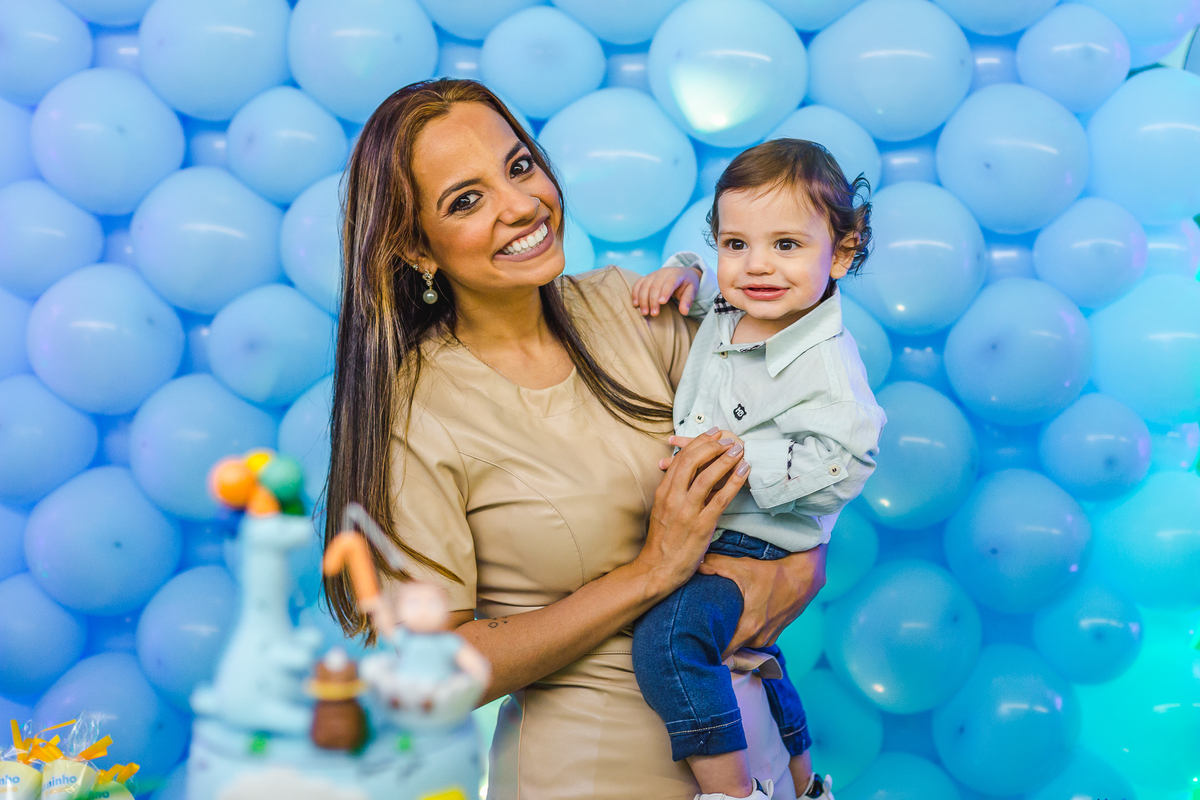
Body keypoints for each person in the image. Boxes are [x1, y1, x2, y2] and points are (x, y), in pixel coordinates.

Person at [322, 79, 829, 799]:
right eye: (465, 200)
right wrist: (653, 571)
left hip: (768, 761)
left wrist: (804, 563)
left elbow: (795, 431)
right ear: (415, 247)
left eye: (520, 165)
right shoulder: (420, 409)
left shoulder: (633, 307)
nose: (522, 205)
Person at [628, 140, 886, 800]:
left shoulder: (824, 360)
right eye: (735, 244)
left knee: (670, 638)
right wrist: (685, 271)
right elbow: (712, 301)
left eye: (787, 246)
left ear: (845, 251)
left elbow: (847, 457)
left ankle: (731, 793)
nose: (756, 267)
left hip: (760, 538)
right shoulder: (737, 304)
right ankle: (805, 785)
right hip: (722, 528)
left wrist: (731, 459)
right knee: (760, 660)